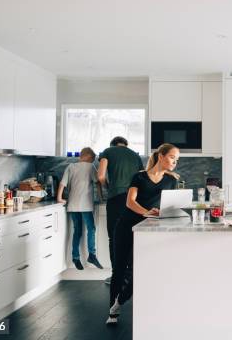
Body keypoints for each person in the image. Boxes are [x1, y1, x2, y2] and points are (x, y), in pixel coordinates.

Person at [106, 143, 180, 325]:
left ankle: (119, 302)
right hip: (125, 226)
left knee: (141, 269)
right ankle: (112, 313)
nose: (174, 162)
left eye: (176, 160)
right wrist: (146, 211)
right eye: (172, 157)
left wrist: (166, 213)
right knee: (120, 269)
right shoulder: (139, 177)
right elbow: (130, 202)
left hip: (148, 229)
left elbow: (171, 206)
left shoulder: (172, 180)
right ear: (161, 156)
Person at [98, 136, 143, 283]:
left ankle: (118, 276)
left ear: (112, 145)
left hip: (116, 198)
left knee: (115, 238)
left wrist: (108, 187)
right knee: (132, 237)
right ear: (126, 145)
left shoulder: (108, 151)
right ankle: (131, 276)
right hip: (133, 201)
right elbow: (142, 179)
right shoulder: (135, 155)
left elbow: (100, 176)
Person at [57, 147, 104, 270]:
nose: (93, 161)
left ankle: (75, 257)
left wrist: (59, 198)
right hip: (85, 204)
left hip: (72, 204)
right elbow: (97, 183)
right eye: (93, 159)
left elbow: (63, 183)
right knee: (91, 229)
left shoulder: (71, 167)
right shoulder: (90, 167)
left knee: (77, 231)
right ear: (88, 157)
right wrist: (101, 197)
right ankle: (92, 255)